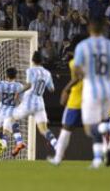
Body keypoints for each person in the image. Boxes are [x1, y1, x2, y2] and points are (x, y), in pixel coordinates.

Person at [70, 18, 110, 168]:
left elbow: (77, 69)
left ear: (90, 30)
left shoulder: (83, 46)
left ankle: (99, 156)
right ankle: (105, 153)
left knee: (91, 127)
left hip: (92, 90)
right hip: (108, 91)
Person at [0, 51, 57, 157]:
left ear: (33, 60)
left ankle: (5, 143)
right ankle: (56, 146)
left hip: (28, 103)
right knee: (44, 129)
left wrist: (19, 91)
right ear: (42, 61)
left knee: (9, 118)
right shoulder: (47, 73)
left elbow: (29, 85)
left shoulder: (30, 70)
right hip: (39, 105)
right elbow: (52, 89)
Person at [49, 34, 86, 166]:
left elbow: (78, 77)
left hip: (76, 99)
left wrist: (66, 89)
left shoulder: (74, 63)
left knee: (66, 128)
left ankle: (58, 157)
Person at [0, 68, 24, 158]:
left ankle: (0, 148)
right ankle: (18, 142)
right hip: (11, 112)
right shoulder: (19, 86)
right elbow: (23, 100)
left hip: (0, 113)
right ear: (16, 76)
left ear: (6, 75)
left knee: (3, 129)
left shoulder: (0, 84)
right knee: (10, 127)